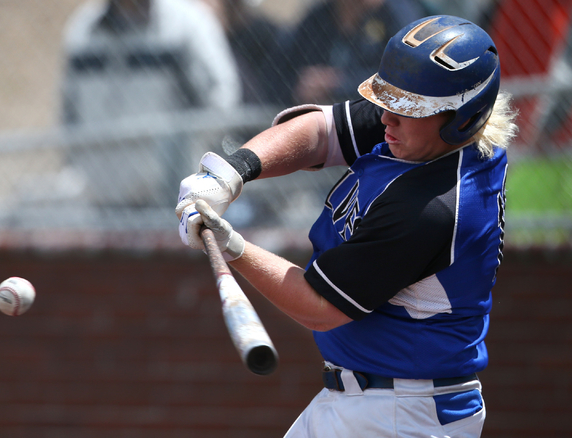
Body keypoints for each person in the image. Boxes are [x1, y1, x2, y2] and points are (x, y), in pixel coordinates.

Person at [176, 15, 519, 437]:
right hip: (370, 400)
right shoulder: (423, 133)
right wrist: (231, 174)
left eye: (406, 108)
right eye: (389, 102)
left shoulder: (433, 206)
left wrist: (233, 246)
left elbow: (318, 308)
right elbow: (320, 132)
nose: (387, 119)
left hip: (405, 414)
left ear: (462, 117)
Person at [59, 0, 241, 207]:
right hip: (101, 199)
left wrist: (192, 152)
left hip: (172, 199)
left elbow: (220, 96)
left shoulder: (186, 23)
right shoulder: (83, 28)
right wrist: (79, 165)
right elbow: (69, 110)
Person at [276, 0, 427, 106]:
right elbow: (279, 68)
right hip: (313, 116)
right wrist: (300, 86)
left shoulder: (398, 16)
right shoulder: (319, 17)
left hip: (374, 118)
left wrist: (339, 84)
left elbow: (404, 76)